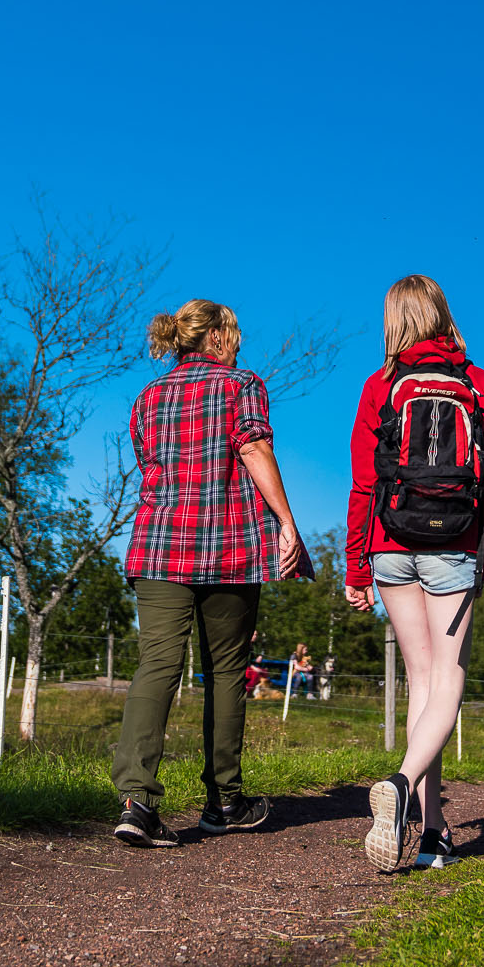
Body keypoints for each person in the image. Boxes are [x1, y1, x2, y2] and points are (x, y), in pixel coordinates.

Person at [113, 299, 303, 847]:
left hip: (158, 549)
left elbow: (153, 467)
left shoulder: (148, 397)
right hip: (230, 548)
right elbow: (253, 448)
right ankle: (224, 803)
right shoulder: (243, 385)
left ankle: (136, 801)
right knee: (226, 672)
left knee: (158, 665)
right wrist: (287, 523)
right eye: (234, 334)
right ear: (219, 336)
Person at [344, 275, 484, 872]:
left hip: (390, 541)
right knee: (449, 676)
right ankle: (404, 784)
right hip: (453, 541)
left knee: (420, 682)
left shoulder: (380, 385)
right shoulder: (475, 382)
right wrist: (482, 548)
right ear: (441, 315)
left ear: (394, 321)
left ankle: (434, 832)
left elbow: (364, 481)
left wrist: (357, 565)